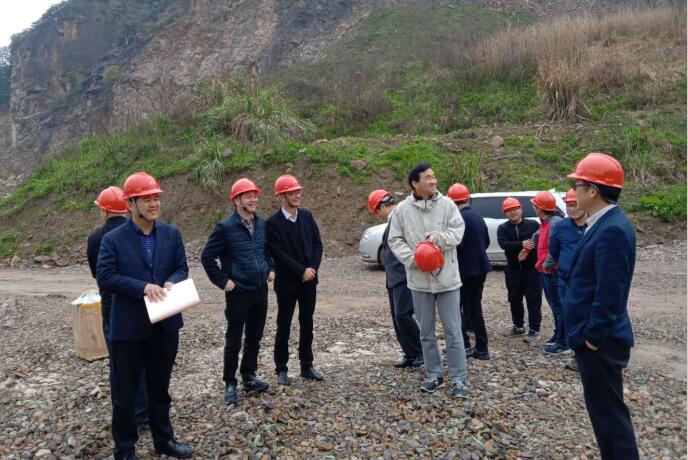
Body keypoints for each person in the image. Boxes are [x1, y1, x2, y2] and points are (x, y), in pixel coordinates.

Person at [97, 172, 192, 460]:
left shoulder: (171, 234)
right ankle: (125, 449)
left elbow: (181, 267)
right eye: (146, 199)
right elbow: (105, 277)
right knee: (125, 392)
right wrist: (142, 288)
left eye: (156, 198)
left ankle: (164, 440)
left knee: (160, 387)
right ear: (130, 204)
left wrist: (172, 281)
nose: (154, 204)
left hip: (164, 324)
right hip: (129, 328)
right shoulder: (113, 239)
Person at [565, 152, 639, 459]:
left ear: (593, 191)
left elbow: (610, 293)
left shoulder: (612, 229)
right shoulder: (603, 223)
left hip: (601, 343)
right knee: (605, 415)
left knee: (610, 419)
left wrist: (592, 337)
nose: (573, 192)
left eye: (577, 185)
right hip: (596, 339)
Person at [388, 163, 469, 398]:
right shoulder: (402, 210)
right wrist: (413, 259)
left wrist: (439, 239)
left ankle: (459, 378)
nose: (433, 181)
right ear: (415, 183)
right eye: (428, 178)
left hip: (447, 279)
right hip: (419, 281)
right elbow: (395, 240)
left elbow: (458, 232)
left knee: (453, 330)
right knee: (426, 332)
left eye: (434, 177)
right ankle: (434, 375)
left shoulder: (447, 205)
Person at [201, 178, 274, 405]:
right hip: (238, 293)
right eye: (248, 196)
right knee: (234, 340)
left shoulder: (261, 224)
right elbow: (207, 257)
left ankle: (249, 376)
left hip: (260, 290)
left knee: (255, 336)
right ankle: (230, 383)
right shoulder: (225, 228)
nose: (253, 199)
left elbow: (266, 251)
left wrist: (270, 268)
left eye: (255, 195)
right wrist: (224, 282)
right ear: (236, 200)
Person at [87, 186, 148, 427]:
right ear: (127, 207)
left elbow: (98, 274)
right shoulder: (137, 231)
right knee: (142, 358)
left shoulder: (95, 238)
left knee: (118, 362)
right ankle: (143, 411)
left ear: (104, 211)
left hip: (111, 306)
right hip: (139, 301)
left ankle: (123, 411)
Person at [267, 174, 324, 385]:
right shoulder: (272, 223)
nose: (297, 195)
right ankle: (281, 368)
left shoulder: (307, 216)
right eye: (292, 192)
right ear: (281, 196)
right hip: (287, 283)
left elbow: (318, 245)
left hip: (309, 281)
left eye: (298, 191)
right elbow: (278, 253)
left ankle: (307, 366)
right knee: (284, 324)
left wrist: (313, 269)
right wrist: (301, 271)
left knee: (307, 323)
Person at [367, 189, 423, 369]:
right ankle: (410, 353)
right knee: (397, 317)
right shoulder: (395, 220)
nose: (378, 217)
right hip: (394, 278)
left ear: (382, 207)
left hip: (402, 276)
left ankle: (420, 351)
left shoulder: (400, 219)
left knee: (403, 314)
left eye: (377, 213)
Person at [447, 183, 492, 360]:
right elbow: (486, 241)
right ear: (468, 198)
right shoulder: (477, 216)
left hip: (464, 271)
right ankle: (477, 346)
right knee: (473, 309)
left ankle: (471, 346)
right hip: (479, 269)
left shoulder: (457, 219)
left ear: (451, 202)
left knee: (457, 309)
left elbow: (456, 246)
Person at [545, 189, 587, 362]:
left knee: (586, 315)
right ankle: (568, 345)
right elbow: (554, 250)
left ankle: (585, 352)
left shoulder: (594, 226)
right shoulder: (560, 227)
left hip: (588, 281)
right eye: (568, 205)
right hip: (566, 281)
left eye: (575, 204)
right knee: (568, 313)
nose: (572, 209)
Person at [496, 197, 542, 343]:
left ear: (521, 209)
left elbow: (540, 241)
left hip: (532, 270)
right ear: (505, 213)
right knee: (514, 299)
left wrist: (527, 248)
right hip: (513, 269)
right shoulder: (503, 228)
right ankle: (518, 326)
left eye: (515, 209)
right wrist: (522, 244)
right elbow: (504, 245)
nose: (513, 212)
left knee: (533, 300)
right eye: (509, 210)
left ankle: (534, 330)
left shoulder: (533, 224)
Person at [530, 191, 565, 353]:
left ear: (539, 208)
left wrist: (546, 264)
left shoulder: (554, 223)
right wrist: (529, 243)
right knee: (555, 305)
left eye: (535, 206)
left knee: (558, 305)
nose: (533, 208)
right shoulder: (547, 221)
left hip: (552, 270)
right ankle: (558, 334)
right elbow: (538, 234)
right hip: (548, 269)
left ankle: (562, 339)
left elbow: (554, 247)